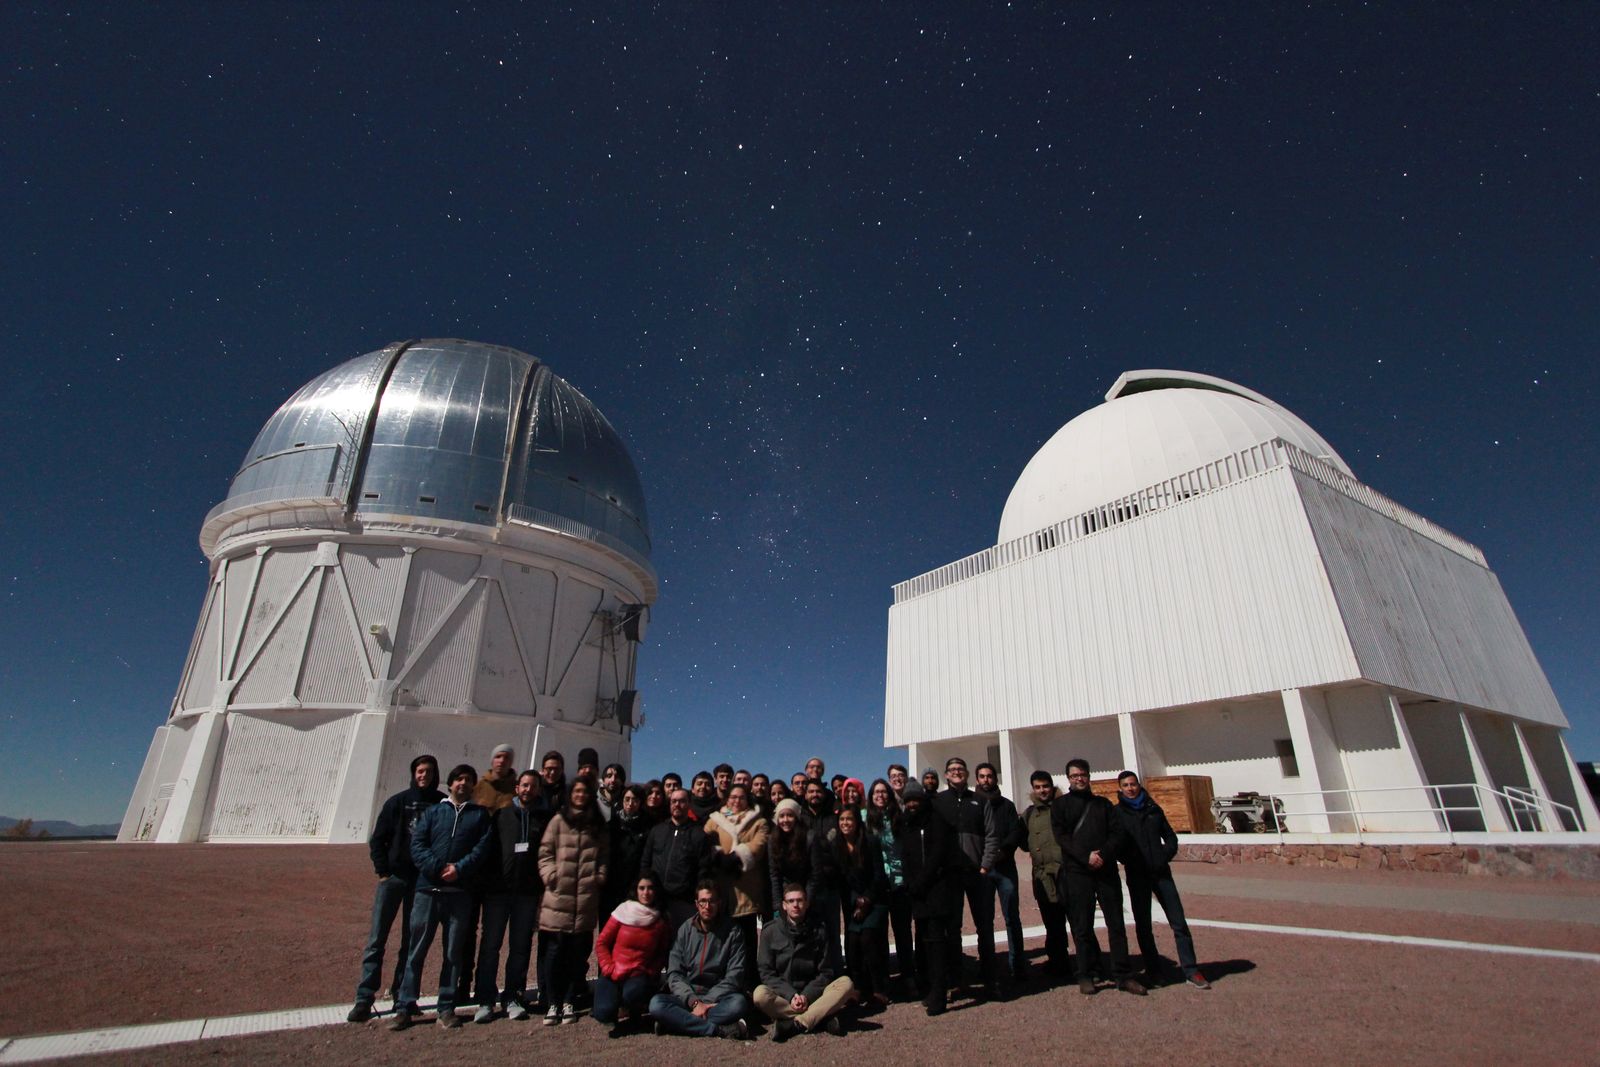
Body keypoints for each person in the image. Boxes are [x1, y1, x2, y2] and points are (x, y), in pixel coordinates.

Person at [390, 764, 493, 1030]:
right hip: (428, 890)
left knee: (453, 954)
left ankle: (446, 1007)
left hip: (459, 892)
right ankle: (404, 1005)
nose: (463, 784)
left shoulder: (480, 816)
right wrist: (437, 868)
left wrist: (459, 869)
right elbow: (418, 844)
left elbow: (483, 848)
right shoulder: (435, 812)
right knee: (416, 950)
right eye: (459, 779)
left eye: (469, 780)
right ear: (450, 784)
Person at [348, 754, 443, 1023]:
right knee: (377, 939)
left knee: (411, 941)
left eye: (429, 771)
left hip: (422, 881)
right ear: (414, 773)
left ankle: (403, 995)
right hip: (395, 879)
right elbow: (378, 838)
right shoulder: (397, 802)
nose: (424, 775)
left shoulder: (440, 803)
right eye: (420, 771)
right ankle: (364, 997)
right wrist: (383, 872)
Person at [1053, 759, 1144, 996]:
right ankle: (1085, 973)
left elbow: (1117, 833)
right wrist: (1085, 857)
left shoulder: (1103, 805)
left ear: (1089, 776)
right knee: (1082, 925)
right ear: (1068, 778)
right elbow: (1062, 837)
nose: (1079, 779)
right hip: (1077, 872)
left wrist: (1102, 854)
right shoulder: (1061, 805)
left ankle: (1123, 974)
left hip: (1105, 871)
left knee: (1116, 924)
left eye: (1082, 774)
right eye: (1074, 776)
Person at [1114, 771, 1210, 989]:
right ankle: (1154, 970)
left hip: (1161, 872)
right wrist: (1129, 860)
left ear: (1138, 785)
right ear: (1120, 789)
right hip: (1137, 874)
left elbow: (1170, 837)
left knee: (1178, 922)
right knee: (1143, 925)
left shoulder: (1152, 808)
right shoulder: (1118, 813)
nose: (1130, 788)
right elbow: (1116, 843)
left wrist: (1163, 855)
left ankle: (1191, 969)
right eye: (1126, 785)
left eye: (1133, 784)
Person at [537, 773, 609, 1025]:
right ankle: (553, 1002)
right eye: (576, 791)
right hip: (559, 897)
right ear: (570, 795)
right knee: (555, 953)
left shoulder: (596, 824)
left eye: (585, 792)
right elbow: (545, 852)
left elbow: (603, 855)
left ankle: (569, 1000)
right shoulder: (558, 821)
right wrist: (550, 875)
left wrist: (599, 876)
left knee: (578, 956)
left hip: (585, 900)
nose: (581, 795)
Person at [483, 769, 551, 1021]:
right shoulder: (501, 815)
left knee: (520, 948)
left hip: (527, 893)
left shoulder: (543, 819)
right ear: (516, 788)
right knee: (490, 946)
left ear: (539, 790)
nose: (527, 790)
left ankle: (513, 995)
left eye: (533, 786)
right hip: (498, 892)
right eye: (524, 785)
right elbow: (489, 849)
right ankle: (485, 998)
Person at [931, 756, 1001, 1000]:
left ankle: (990, 978)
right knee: (953, 928)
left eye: (960, 769)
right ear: (946, 774)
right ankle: (957, 980)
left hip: (977, 873)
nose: (957, 772)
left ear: (967, 773)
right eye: (952, 770)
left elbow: (992, 835)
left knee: (985, 926)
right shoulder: (938, 801)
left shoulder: (980, 801)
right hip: (950, 876)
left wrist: (985, 865)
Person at [648, 880, 753, 1039]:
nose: (707, 906)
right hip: (687, 997)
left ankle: (675, 1023)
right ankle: (718, 1030)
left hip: (717, 999)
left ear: (719, 903)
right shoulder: (685, 929)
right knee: (656, 1004)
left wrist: (704, 1003)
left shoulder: (733, 932)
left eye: (711, 901)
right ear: (696, 904)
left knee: (738, 1004)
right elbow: (675, 973)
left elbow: (734, 976)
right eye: (703, 901)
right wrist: (694, 1002)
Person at [755, 883, 857, 1040]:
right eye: (791, 901)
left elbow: (825, 972)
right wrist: (791, 996)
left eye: (800, 900)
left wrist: (806, 997)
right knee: (760, 995)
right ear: (784, 905)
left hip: (813, 995)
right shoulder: (770, 932)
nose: (796, 905)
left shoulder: (819, 931)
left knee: (846, 983)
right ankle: (819, 1018)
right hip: (784, 997)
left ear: (807, 903)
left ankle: (796, 1023)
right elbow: (766, 973)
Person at [895, 780, 956, 1016]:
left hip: (936, 890)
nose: (912, 804)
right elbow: (907, 857)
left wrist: (922, 882)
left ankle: (939, 993)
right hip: (918, 894)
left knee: (937, 943)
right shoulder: (906, 824)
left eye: (915, 800)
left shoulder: (936, 821)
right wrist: (912, 884)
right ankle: (930, 988)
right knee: (924, 944)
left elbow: (939, 854)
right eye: (908, 800)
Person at [594, 873, 672, 1036]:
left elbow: (662, 952)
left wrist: (651, 972)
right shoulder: (622, 912)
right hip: (613, 973)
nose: (646, 892)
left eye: (650, 888)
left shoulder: (660, 920)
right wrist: (608, 968)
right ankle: (616, 1008)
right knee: (603, 1012)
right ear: (635, 890)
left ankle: (635, 1011)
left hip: (639, 975)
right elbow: (602, 943)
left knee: (633, 994)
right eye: (642, 888)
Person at [974, 761, 1028, 983]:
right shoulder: (972, 804)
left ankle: (1017, 964)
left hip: (1005, 867)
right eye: (982, 776)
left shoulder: (1006, 805)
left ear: (995, 778)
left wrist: (1003, 851)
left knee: (1012, 918)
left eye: (990, 776)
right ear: (977, 779)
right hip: (983, 869)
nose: (986, 779)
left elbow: (1015, 832)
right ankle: (988, 965)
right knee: (984, 920)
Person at [833, 805, 889, 1007]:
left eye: (849, 819)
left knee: (868, 938)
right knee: (852, 942)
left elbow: (879, 875)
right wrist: (854, 901)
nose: (845, 823)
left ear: (857, 822)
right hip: (852, 901)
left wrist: (867, 899)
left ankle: (879, 988)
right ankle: (858, 987)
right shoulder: (837, 844)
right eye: (842, 820)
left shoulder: (870, 842)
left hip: (874, 899)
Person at [704, 781, 770, 952]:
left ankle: (749, 976)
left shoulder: (758, 821)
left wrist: (737, 856)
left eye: (741, 797)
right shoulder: (715, 819)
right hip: (722, 885)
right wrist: (717, 854)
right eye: (733, 797)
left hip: (746, 886)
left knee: (746, 935)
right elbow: (705, 839)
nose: (736, 801)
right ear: (727, 799)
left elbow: (759, 844)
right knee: (722, 936)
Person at [639, 788, 716, 930]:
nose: (677, 805)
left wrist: (694, 895)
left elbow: (703, 869)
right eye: (674, 801)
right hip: (658, 899)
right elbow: (646, 862)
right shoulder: (657, 831)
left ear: (689, 804)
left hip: (684, 902)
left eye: (682, 801)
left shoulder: (698, 834)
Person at [865, 777, 914, 996]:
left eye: (884, 792)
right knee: (879, 934)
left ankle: (908, 976)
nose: (880, 795)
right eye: (876, 792)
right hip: (877, 884)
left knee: (903, 932)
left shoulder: (899, 818)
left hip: (899, 882)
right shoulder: (865, 818)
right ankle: (883, 981)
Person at [1022, 770, 1071, 979]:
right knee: (1052, 922)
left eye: (1045, 786)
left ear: (1052, 786)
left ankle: (1089, 965)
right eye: (1038, 787)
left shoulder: (1064, 807)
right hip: (1042, 875)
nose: (1042, 790)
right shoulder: (1029, 813)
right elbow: (1024, 841)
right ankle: (1058, 962)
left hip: (1067, 872)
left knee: (1078, 921)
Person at [601, 783, 651, 929]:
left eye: (635, 800)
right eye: (627, 799)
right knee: (607, 929)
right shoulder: (612, 824)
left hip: (632, 886)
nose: (630, 803)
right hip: (610, 886)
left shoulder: (646, 826)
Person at [768, 797, 816, 919]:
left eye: (790, 815)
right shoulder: (772, 840)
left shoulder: (809, 838)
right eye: (782, 816)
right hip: (785, 894)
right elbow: (774, 875)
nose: (785, 820)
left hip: (806, 893)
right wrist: (778, 905)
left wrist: (806, 902)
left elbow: (814, 874)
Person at [472, 744, 518, 812]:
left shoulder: (517, 789)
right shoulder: (479, 786)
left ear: (511, 762)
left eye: (506, 757)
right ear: (492, 760)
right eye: (498, 756)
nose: (502, 761)